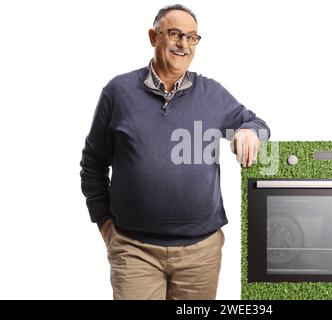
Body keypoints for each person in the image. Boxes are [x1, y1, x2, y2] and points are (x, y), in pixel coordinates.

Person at [79, 4, 270, 300]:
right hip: (134, 249)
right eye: (175, 34)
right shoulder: (118, 92)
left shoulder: (212, 93)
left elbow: (256, 123)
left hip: (201, 253)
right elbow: (93, 163)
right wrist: (104, 222)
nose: (183, 44)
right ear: (153, 37)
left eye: (192, 37)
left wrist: (249, 131)